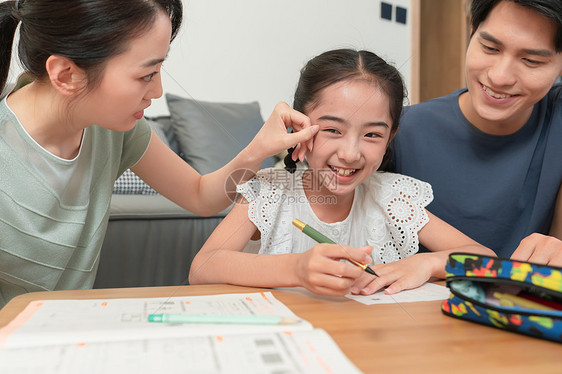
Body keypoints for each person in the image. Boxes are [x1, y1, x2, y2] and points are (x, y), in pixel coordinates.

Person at [0, 0, 318, 308]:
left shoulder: (113, 129)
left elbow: (200, 195)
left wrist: (258, 148)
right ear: (67, 75)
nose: (157, 91)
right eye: (146, 75)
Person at [189, 49, 495, 297]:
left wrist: (426, 263)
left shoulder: (390, 196)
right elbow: (202, 267)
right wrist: (296, 269)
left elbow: (484, 257)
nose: (350, 153)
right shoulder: (270, 192)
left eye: (372, 135)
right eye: (333, 129)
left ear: (391, 137)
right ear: (299, 126)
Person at [392, 0, 562, 266]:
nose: (500, 77)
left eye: (531, 60)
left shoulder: (556, 119)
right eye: (490, 48)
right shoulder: (400, 129)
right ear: (472, 32)